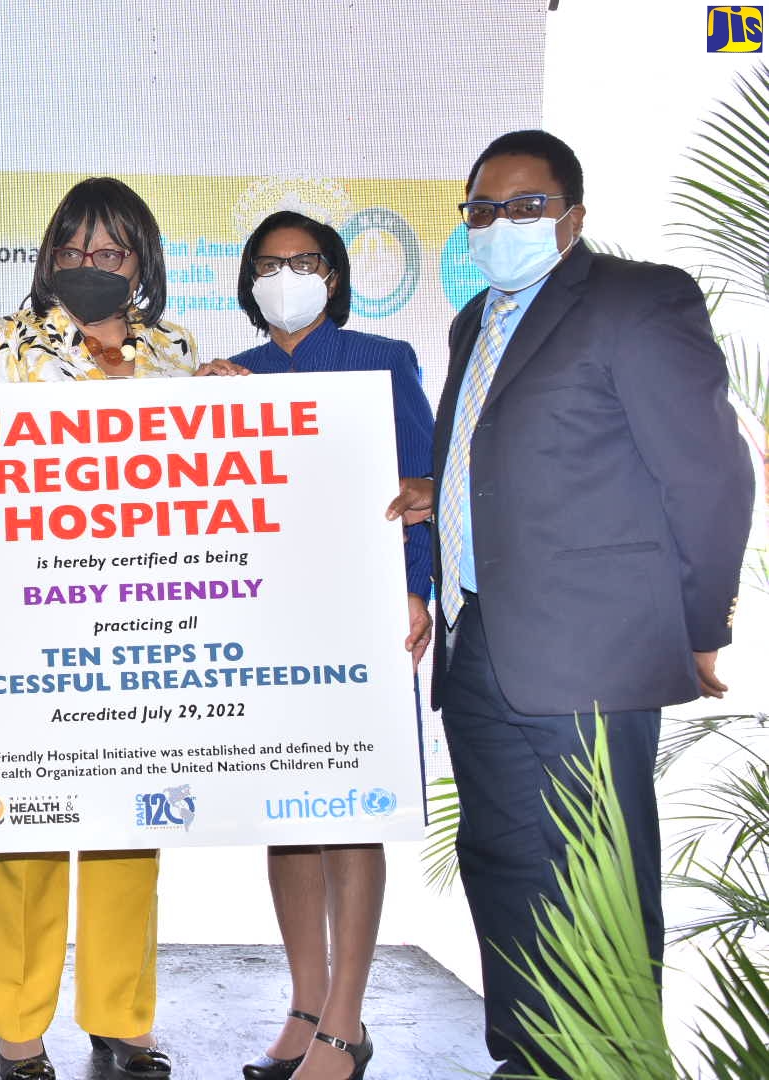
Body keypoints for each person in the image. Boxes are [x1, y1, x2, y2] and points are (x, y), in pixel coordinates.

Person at [384, 130, 754, 1079]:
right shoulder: (474, 320)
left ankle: (607, 1063)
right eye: (481, 209)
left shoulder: (638, 301)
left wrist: (701, 626)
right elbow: (509, 447)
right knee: (503, 866)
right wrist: (441, 488)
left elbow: (709, 476)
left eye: (524, 207)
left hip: (588, 653)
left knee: (595, 880)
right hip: (478, 646)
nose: (499, 223)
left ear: (574, 217)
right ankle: (527, 1056)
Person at [0, 176, 192, 1079]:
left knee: (132, 826)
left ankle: (120, 1015)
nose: (89, 266)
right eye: (74, 250)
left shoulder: (177, 353)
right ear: (48, 257)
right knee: (19, 827)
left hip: (139, 625)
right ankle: (17, 1027)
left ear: (142, 263)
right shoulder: (1, 346)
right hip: (22, 623)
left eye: (110, 252)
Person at [199, 210, 434, 1080]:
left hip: (357, 615)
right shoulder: (232, 374)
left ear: (334, 274)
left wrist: (418, 585)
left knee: (350, 807)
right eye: (268, 263)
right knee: (286, 812)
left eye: (302, 261)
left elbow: (424, 484)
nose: (285, 275)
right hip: (265, 620)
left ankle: (346, 1021)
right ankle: (304, 1005)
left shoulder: (385, 359)